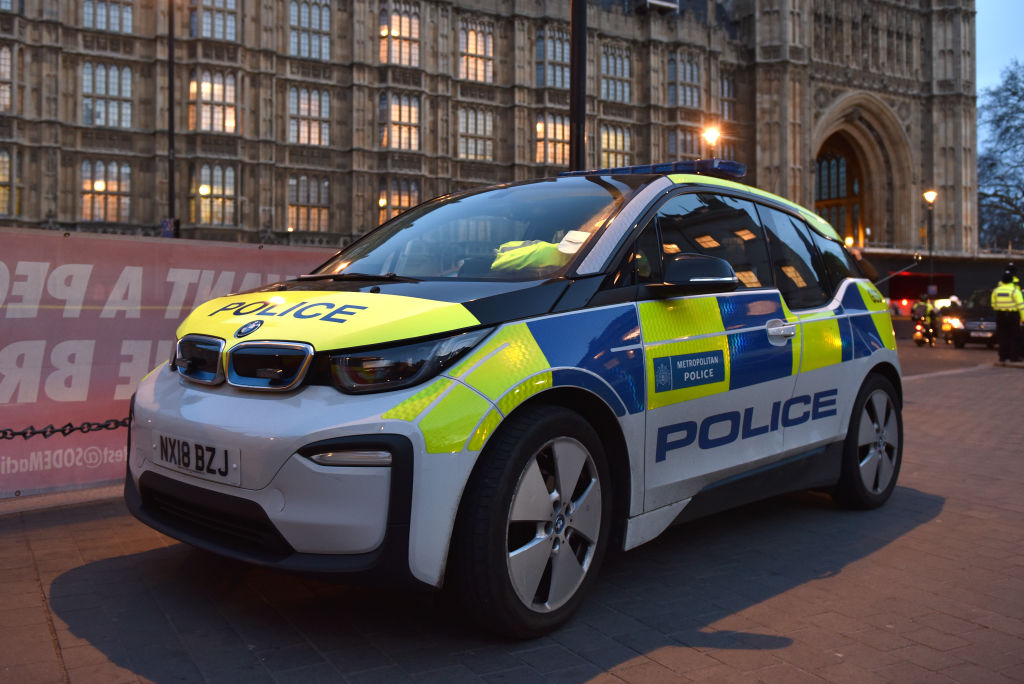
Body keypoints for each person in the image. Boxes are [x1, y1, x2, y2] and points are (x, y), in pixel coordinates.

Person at [990, 270, 1024, 363]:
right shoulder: (1014, 291)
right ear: (1011, 280)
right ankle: (1014, 357)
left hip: (1000, 316)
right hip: (1012, 316)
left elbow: (993, 304)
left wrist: (1000, 310)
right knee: (1014, 337)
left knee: (1002, 337)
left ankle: (1003, 357)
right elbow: (1021, 307)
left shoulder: (996, 291)